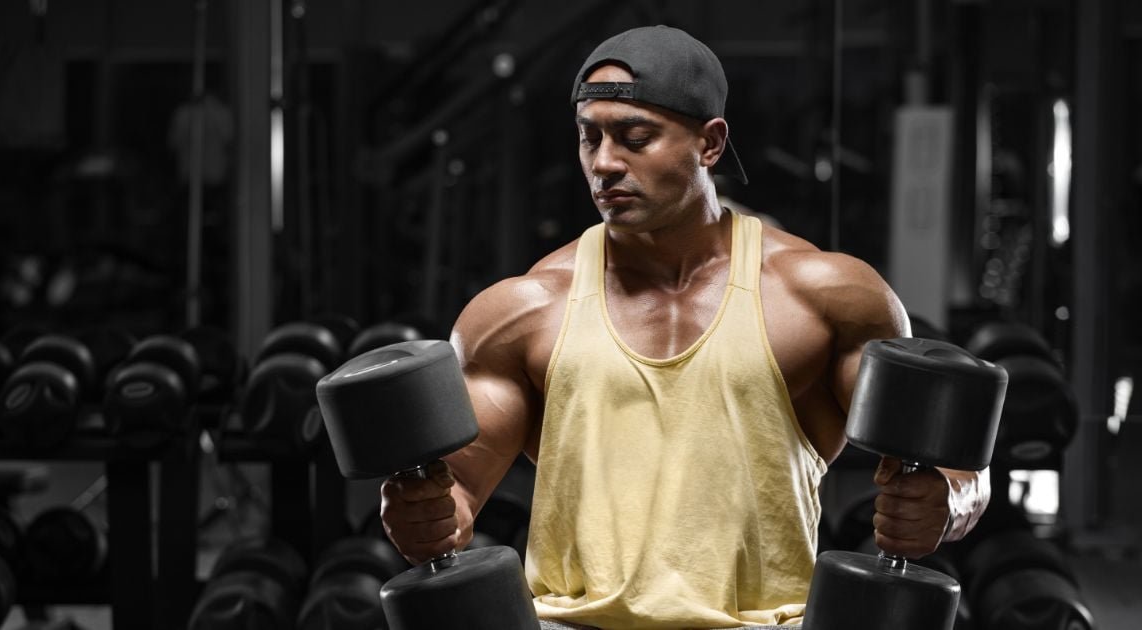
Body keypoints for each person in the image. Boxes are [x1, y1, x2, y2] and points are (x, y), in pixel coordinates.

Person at [380, 25, 988, 629]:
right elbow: (455, 492)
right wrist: (422, 513)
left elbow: (954, 463)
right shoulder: (522, 311)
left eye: (635, 138)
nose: (604, 163)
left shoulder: (822, 297)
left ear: (711, 143)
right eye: (589, 138)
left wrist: (948, 500)